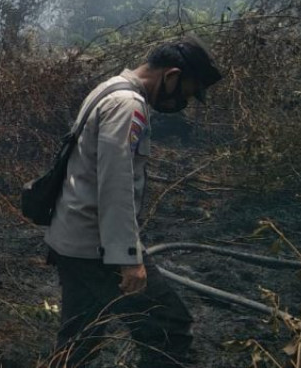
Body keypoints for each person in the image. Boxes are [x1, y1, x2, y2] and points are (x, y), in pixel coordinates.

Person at [44, 37, 223, 367]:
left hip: (72, 239)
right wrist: (127, 257)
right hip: (96, 246)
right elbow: (115, 184)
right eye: (185, 90)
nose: (183, 100)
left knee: (80, 338)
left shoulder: (109, 88)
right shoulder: (128, 105)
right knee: (168, 326)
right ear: (171, 75)